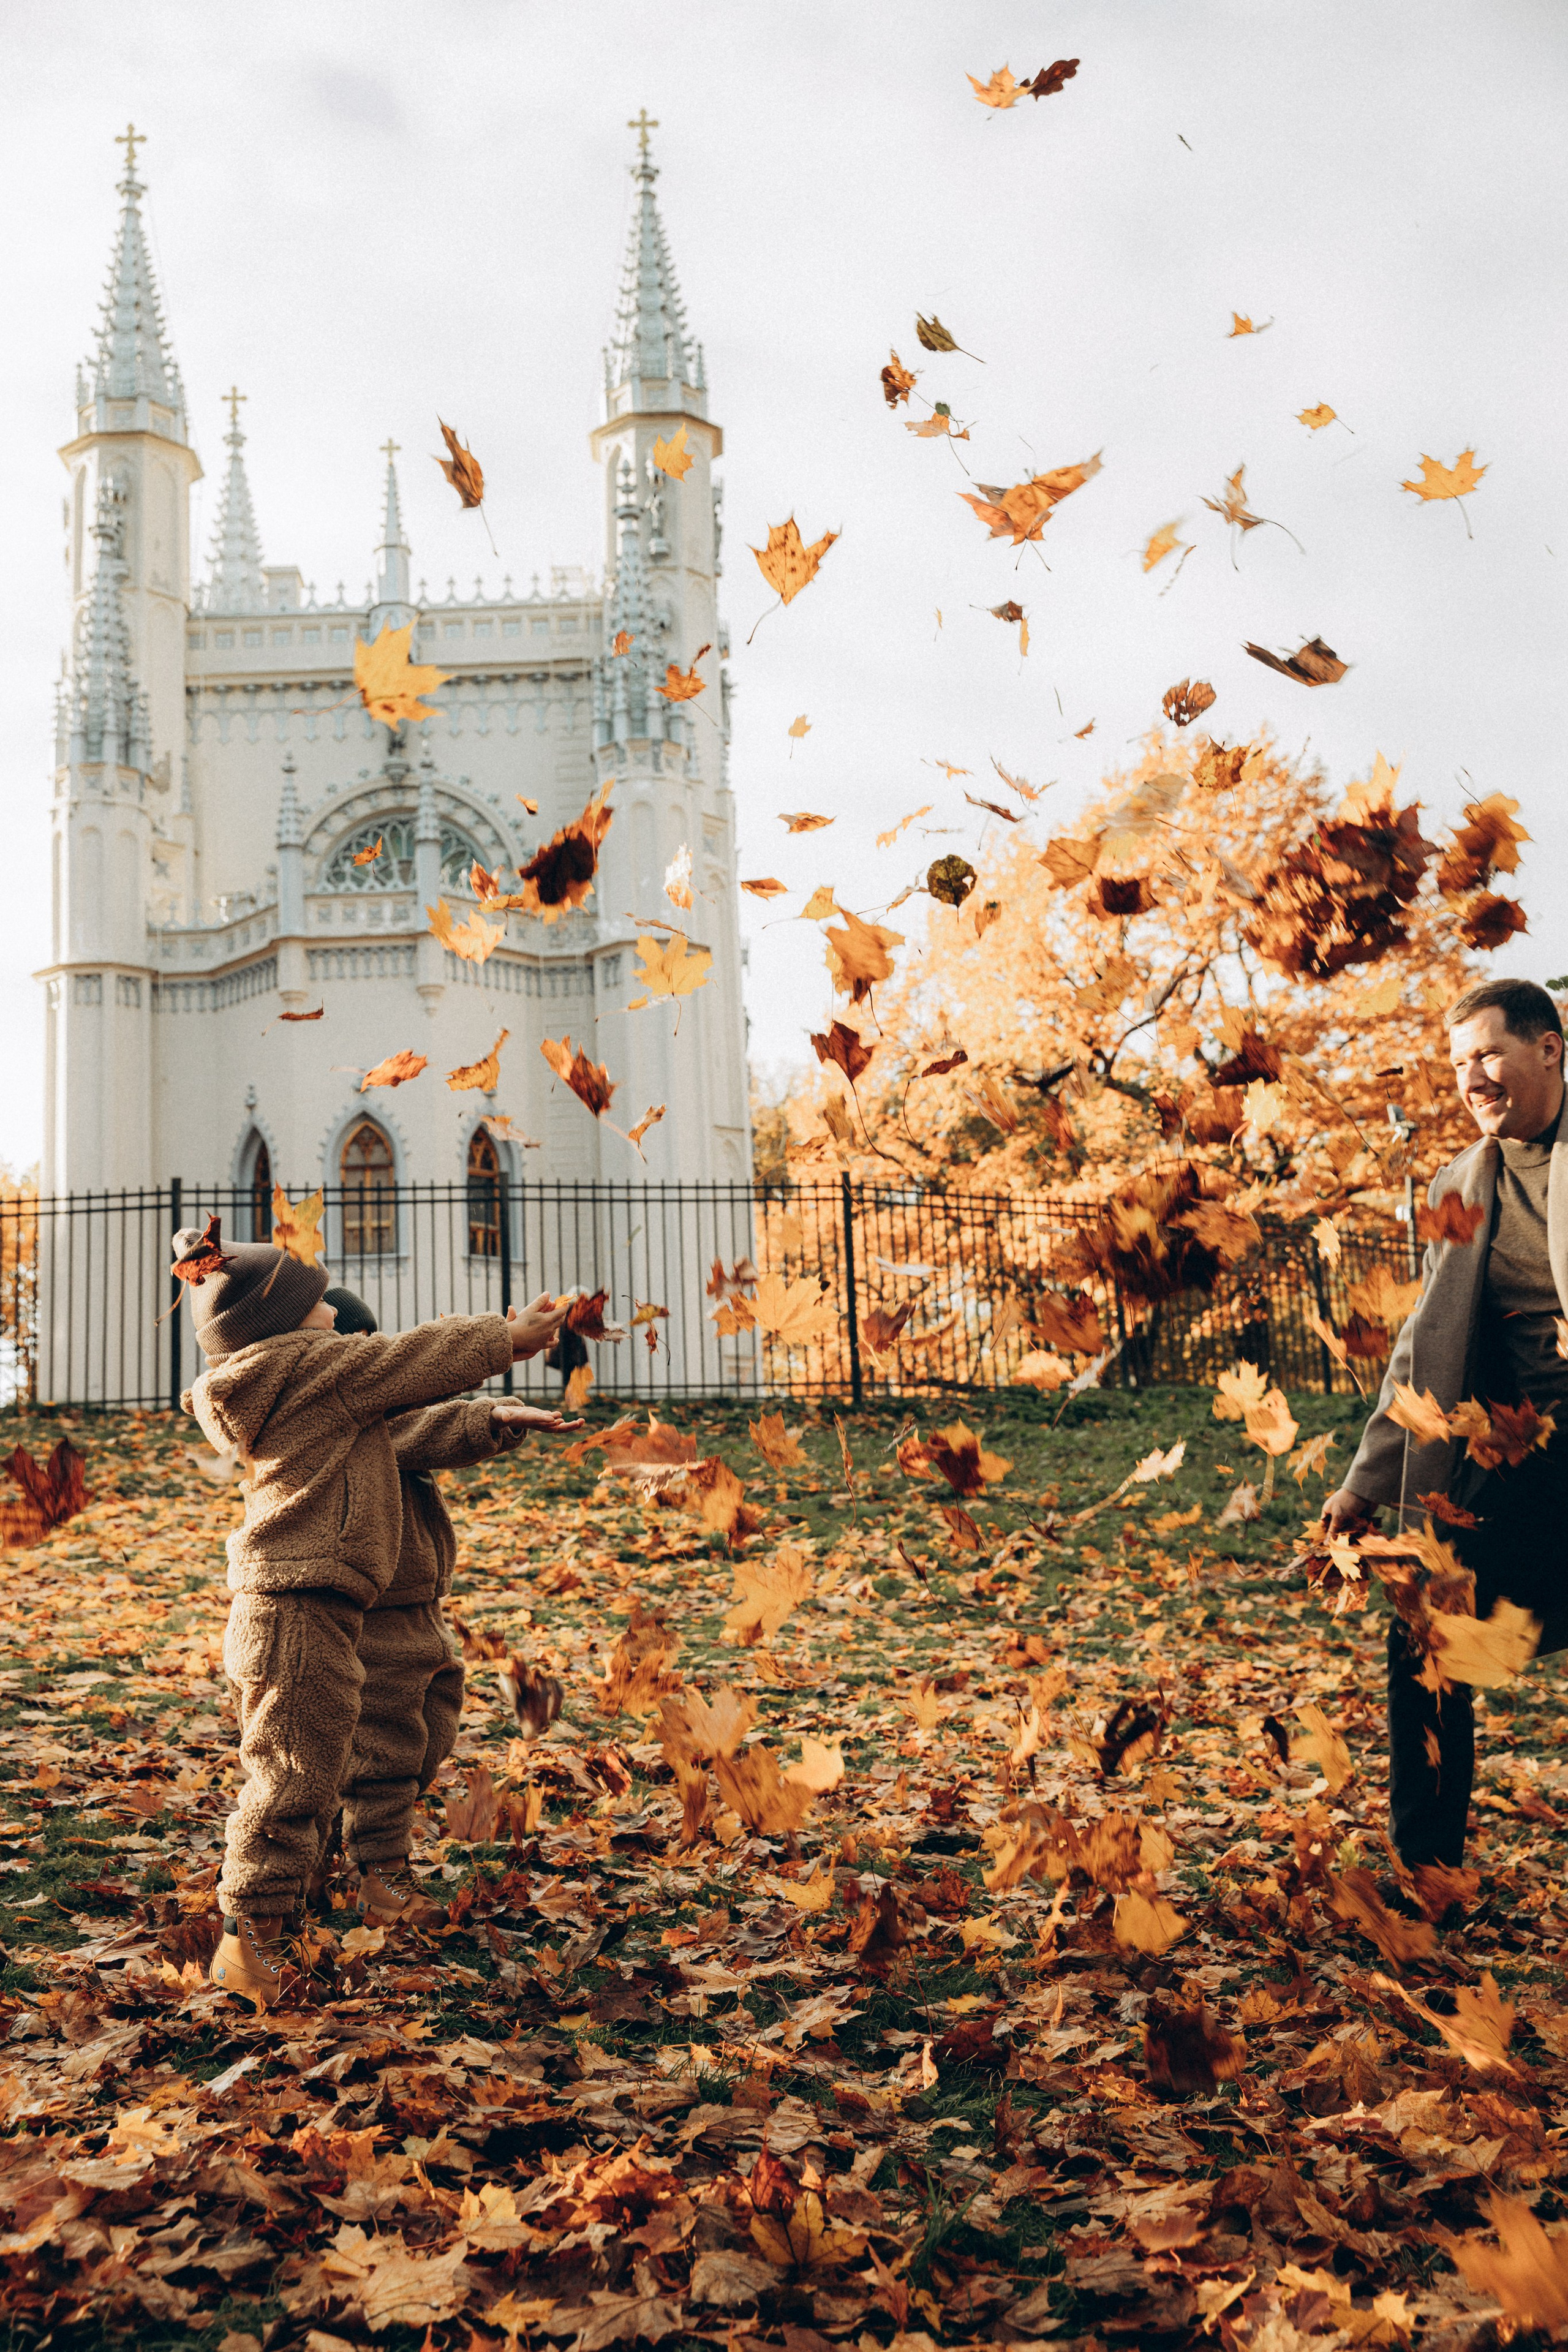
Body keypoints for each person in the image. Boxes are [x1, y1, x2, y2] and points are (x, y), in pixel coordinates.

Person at [173, 1225, 575, 2010]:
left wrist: (488, 1417)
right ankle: (248, 1937)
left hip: (308, 1598)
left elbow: (409, 1419)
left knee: (309, 1765)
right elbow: (406, 1360)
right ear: (283, 1321)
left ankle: (283, 1914)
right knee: (290, 1773)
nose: (332, 1310)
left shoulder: (297, 1379)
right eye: (317, 1301)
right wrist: (506, 1337)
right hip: (292, 1605)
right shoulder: (304, 1370)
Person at [1322, 976, 1568, 1872]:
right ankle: (1425, 1869)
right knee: (1425, 1625)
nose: (1474, 1077)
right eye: (1460, 1062)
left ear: (1549, 1047)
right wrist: (1365, 1481)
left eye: (1489, 1053)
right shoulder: (1460, 1181)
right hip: (1504, 1462)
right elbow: (1423, 1344)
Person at [315, 1287, 573, 1929]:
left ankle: (333, 1839)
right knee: (387, 1746)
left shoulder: (381, 1408)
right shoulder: (347, 1419)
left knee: (429, 1730)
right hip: (378, 1607)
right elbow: (424, 1429)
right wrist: (491, 1417)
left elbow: (426, 1419)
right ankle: (380, 1871)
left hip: (422, 1602)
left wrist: (491, 1414)